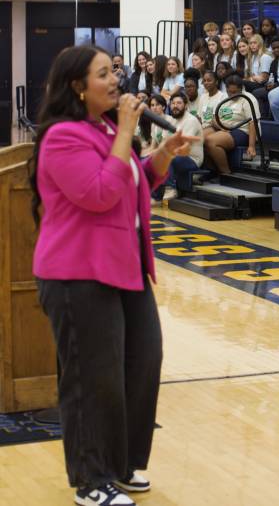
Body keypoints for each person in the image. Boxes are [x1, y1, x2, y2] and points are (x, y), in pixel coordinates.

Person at [31, 45, 196, 506]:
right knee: (92, 378)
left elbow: (133, 177)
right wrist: (127, 128)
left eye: (115, 71)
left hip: (125, 267)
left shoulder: (105, 128)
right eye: (104, 74)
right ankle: (90, 480)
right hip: (77, 273)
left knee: (142, 364)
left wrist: (162, 153)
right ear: (77, 87)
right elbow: (100, 193)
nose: (116, 80)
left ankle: (121, 465)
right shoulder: (62, 136)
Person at [202, 75, 259, 175]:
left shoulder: (248, 99)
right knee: (198, 138)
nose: (232, 95)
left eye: (235, 92)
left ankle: (225, 172)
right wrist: (221, 128)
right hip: (222, 127)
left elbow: (252, 122)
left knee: (210, 141)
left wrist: (251, 146)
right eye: (230, 92)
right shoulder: (223, 97)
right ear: (226, 89)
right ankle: (210, 170)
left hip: (241, 130)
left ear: (241, 89)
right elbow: (214, 118)